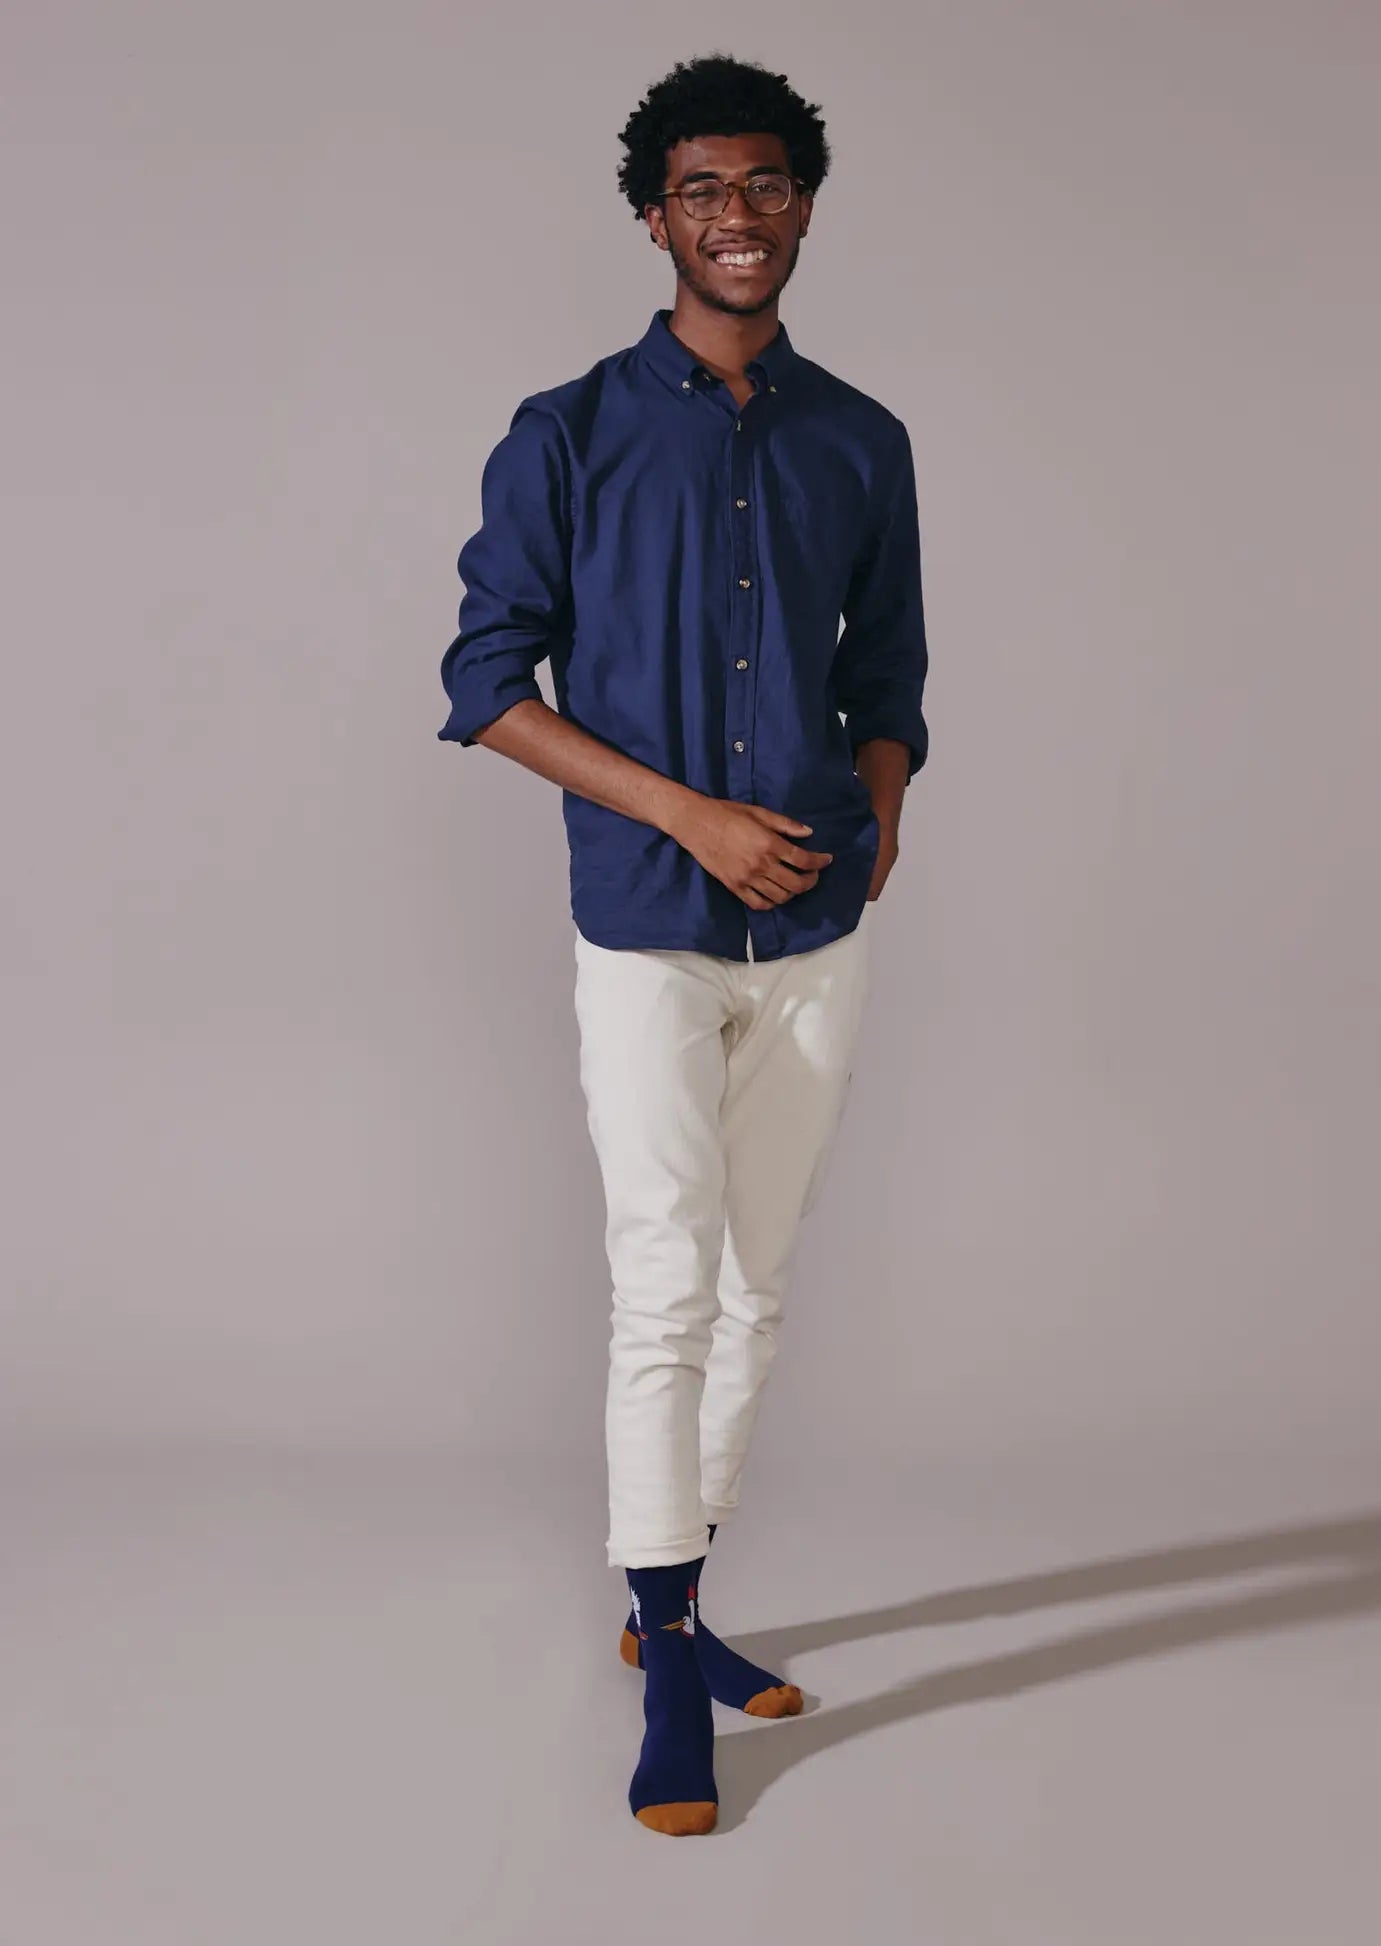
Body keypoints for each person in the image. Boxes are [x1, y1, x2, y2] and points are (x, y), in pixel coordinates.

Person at [436, 53, 930, 1835]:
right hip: (649, 923)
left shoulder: (861, 438)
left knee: (756, 1290)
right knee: (665, 1282)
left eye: (768, 184)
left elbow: (890, 672)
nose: (739, 215)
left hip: (816, 924)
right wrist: (690, 817)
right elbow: (486, 680)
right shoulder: (564, 432)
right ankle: (669, 1675)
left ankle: (673, 1601)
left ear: (805, 208)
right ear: (656, 218)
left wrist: (879, 815)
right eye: (705, 189)